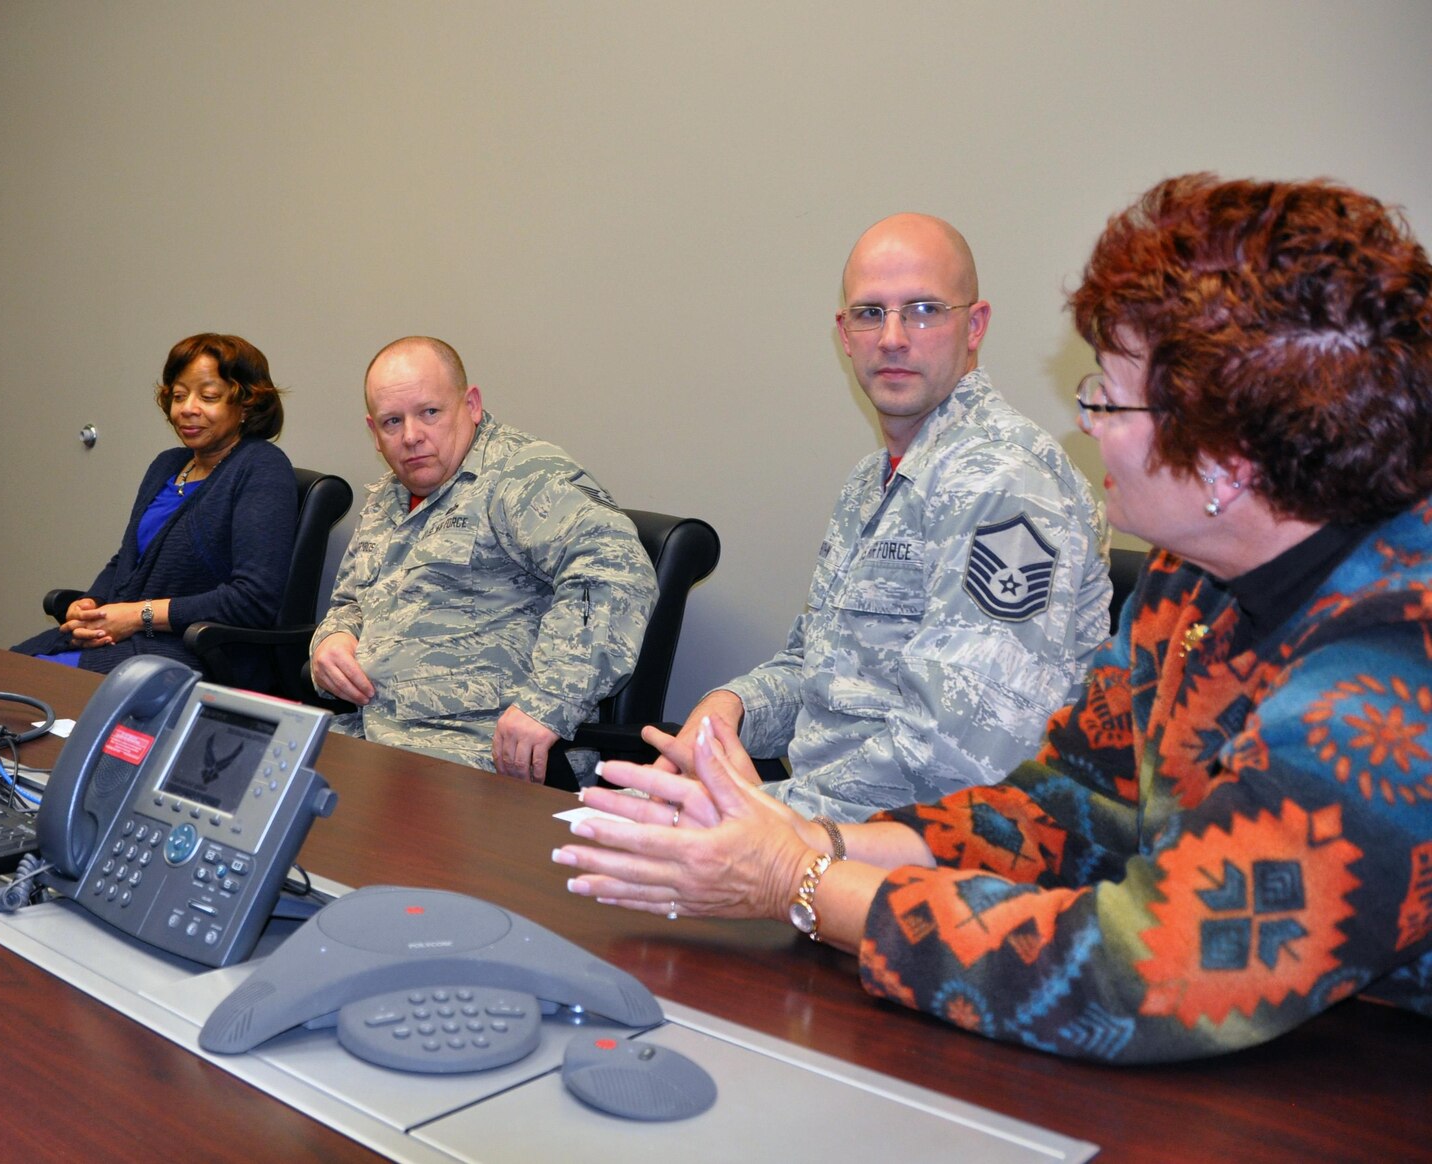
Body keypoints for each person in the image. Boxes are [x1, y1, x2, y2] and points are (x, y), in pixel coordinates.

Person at [554, 174, 1432, 1063]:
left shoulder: (1394, 673)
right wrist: (807, 839)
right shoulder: (1192, 585)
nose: (1084, 426)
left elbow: (1141, 971)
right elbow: (1062, 806)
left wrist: (798, 878)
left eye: (1108, 398)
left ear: (1230, 453)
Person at [654, 213, 1111, 821]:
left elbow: (961, 759)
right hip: (820, 834)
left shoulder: (1003, 482)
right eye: (871, 313)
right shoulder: (872, 482)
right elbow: (817, 669)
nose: (892, 336)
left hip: (932, 863)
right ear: (844, 335)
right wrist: (729, 705)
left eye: (923, 309)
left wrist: (761, 812)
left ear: (974, 326)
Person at [310, 336, 656, 781]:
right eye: (392, 422)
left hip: (474, 749)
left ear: (471, 404)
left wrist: (547, 704)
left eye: (429, 412)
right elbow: (350, 602)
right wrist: (332, 640)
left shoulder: (521, 475)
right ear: (374, 433)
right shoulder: (387, 498)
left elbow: (616, 568)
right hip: (368, 730)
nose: (411, 436)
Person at [13, 333, 297, 690]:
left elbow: (253, 599)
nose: (187, 408)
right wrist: (91, 605)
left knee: (38, 689)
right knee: (2, 673)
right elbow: (125, 560)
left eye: (208, 397)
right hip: (128, 641)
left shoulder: (261, 466)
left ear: (247, 405)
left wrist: (138, 616)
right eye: (179, 396)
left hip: (199, 654)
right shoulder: (167, 465)